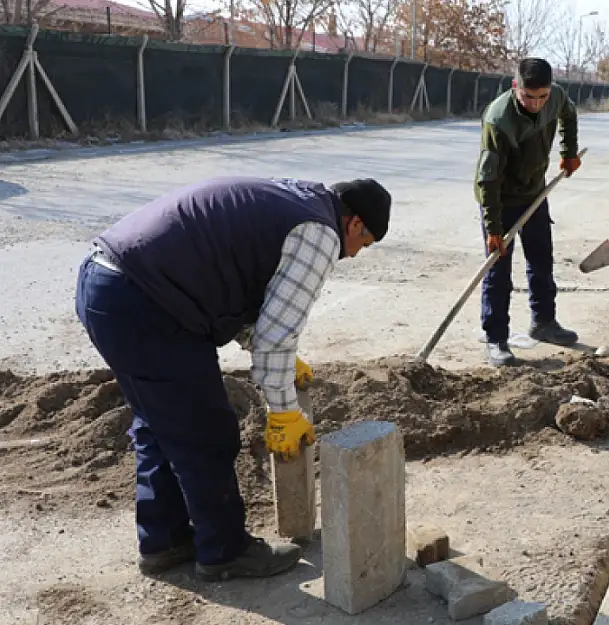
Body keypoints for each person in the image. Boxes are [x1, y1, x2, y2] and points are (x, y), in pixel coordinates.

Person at [74, 176, 391, 580]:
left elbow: (242, 292)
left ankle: (164, 541)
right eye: (363, 245)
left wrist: (273, 353)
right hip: (148, 303)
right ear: (355, 225)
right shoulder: (319, 235)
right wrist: (284, 413)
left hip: (107, 285)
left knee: (160, 425)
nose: (355, 255)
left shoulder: (298, 201)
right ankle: (225, 550)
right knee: (207, 432)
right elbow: (278, 334)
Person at [474, 57, 581, 366]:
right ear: (515, 87)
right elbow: (488, 179)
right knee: (498, 271)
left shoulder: (555, 97)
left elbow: (569, 113)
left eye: (542, 97)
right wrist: (494, 228)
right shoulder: (499, 120)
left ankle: (544, 322)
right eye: (528, 97)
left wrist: (569, 152)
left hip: (534, 192)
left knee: (541, 259)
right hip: (500, 198)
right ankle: (496, 340)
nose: (536, 104)